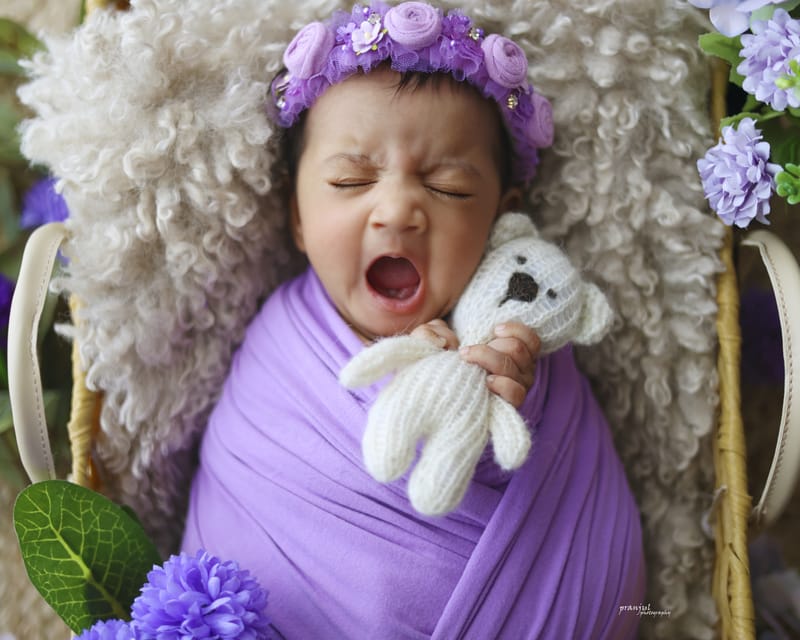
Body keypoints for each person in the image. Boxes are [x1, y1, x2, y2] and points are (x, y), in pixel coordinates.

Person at [181, 2, 645, 637]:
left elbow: (567, 494)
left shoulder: (526, 338)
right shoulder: (277, 352)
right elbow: (240, 505)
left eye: (449, 188)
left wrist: (506, 401)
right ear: (297, 217)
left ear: (502, 220)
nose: (398, 211)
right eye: (350, 181)